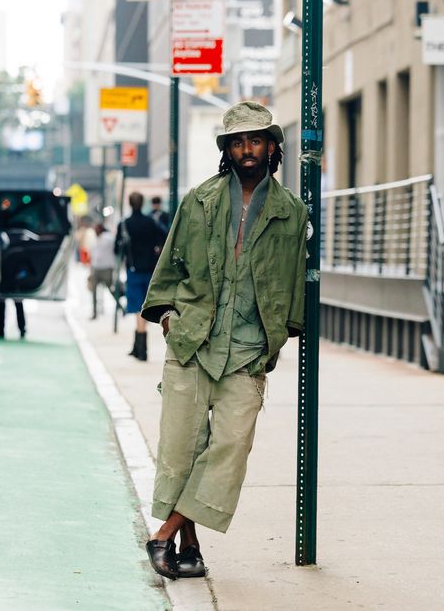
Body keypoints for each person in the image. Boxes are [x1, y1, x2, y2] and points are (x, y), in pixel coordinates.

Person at [141, 101, 308, 580]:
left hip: (249, 350)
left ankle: (163, 533)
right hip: (193, 342)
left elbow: (294, 282)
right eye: (237, 141)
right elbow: (169, 265)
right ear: (228, 150)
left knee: (231, 447)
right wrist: (171, 318)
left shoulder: (290, 212)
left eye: (255, 140)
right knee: (180, 449)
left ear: (273, 146)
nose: (247, 149)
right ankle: (189, 549)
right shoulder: (200, 200)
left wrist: (277, 339)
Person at [115, 192, 166, 361]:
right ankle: (137, 347)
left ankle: (141, 349)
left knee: (138, 309)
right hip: (150, 270)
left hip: (133, 270)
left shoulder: (125, 224)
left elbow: (117, 249)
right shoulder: (151, 222)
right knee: (144, 307)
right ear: (143, 203)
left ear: (130, 204)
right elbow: (163, 238)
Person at [88, 223, 116, 320]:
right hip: (96, 268)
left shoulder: (108, 238)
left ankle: (120, 308)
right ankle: (94, 312)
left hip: (106, 268)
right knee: (94, 291)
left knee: (111, 290)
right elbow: (93, 254)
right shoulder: (95, 239)